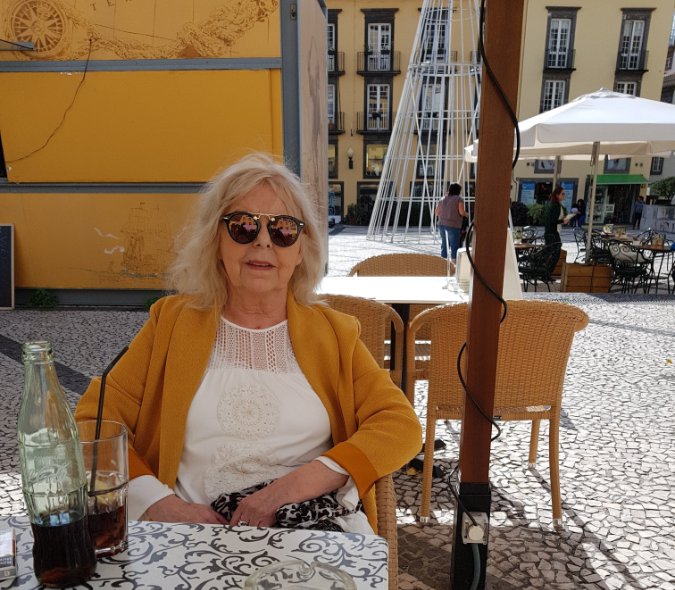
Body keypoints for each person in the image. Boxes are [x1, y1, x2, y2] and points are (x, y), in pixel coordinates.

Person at [76, 153, 422, 534]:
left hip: (312, 532)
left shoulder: (335, 334)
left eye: (283, 229)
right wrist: (161, 505)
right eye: (243, 226)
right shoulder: (171, 324)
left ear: (301, 249)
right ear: (216, 240)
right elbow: (93, 423)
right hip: (193, 535)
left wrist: (290, 488)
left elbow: (400, 424)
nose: (262, 241)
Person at [435, 182, 466, 267]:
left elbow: (437, 212)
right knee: (454, 245)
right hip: (453, 225)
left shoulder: (442, 199)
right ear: (458, 190)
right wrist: (466, 214)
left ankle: (442, 264)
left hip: (442, 225)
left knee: (444, 244)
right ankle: (453, 266)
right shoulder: (459, 199)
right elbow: (461, 212)